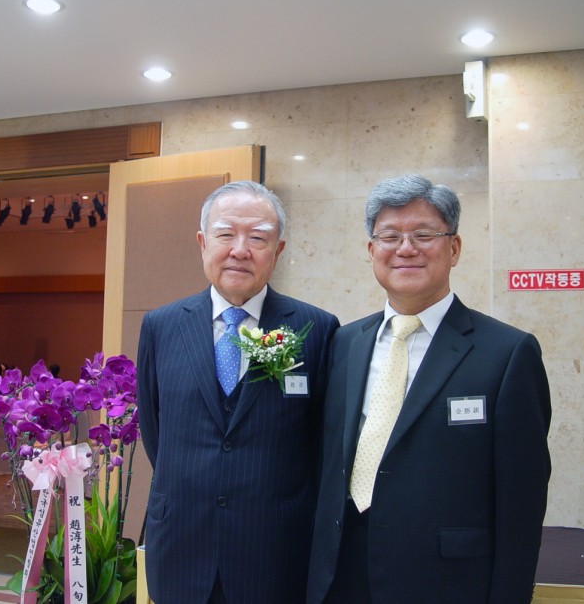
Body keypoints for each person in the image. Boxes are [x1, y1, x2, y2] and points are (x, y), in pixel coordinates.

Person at [306, 174, 552, 604]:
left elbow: (522, 503)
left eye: (424, 235)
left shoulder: (507, 353)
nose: (406, 249)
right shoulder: (344, 342)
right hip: (340, 575)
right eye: (390, 236)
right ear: (371, 251)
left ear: (453, 248)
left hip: (445, 582)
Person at [137, 180, 339, 604]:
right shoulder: (161, 326)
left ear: (278, 250)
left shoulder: (317, 329)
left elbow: (322, 444)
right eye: (225, 234)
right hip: (181, 548)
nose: (240, 250)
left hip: (275, 554)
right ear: (202, 242)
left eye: (258, 238)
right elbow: (156, 434)